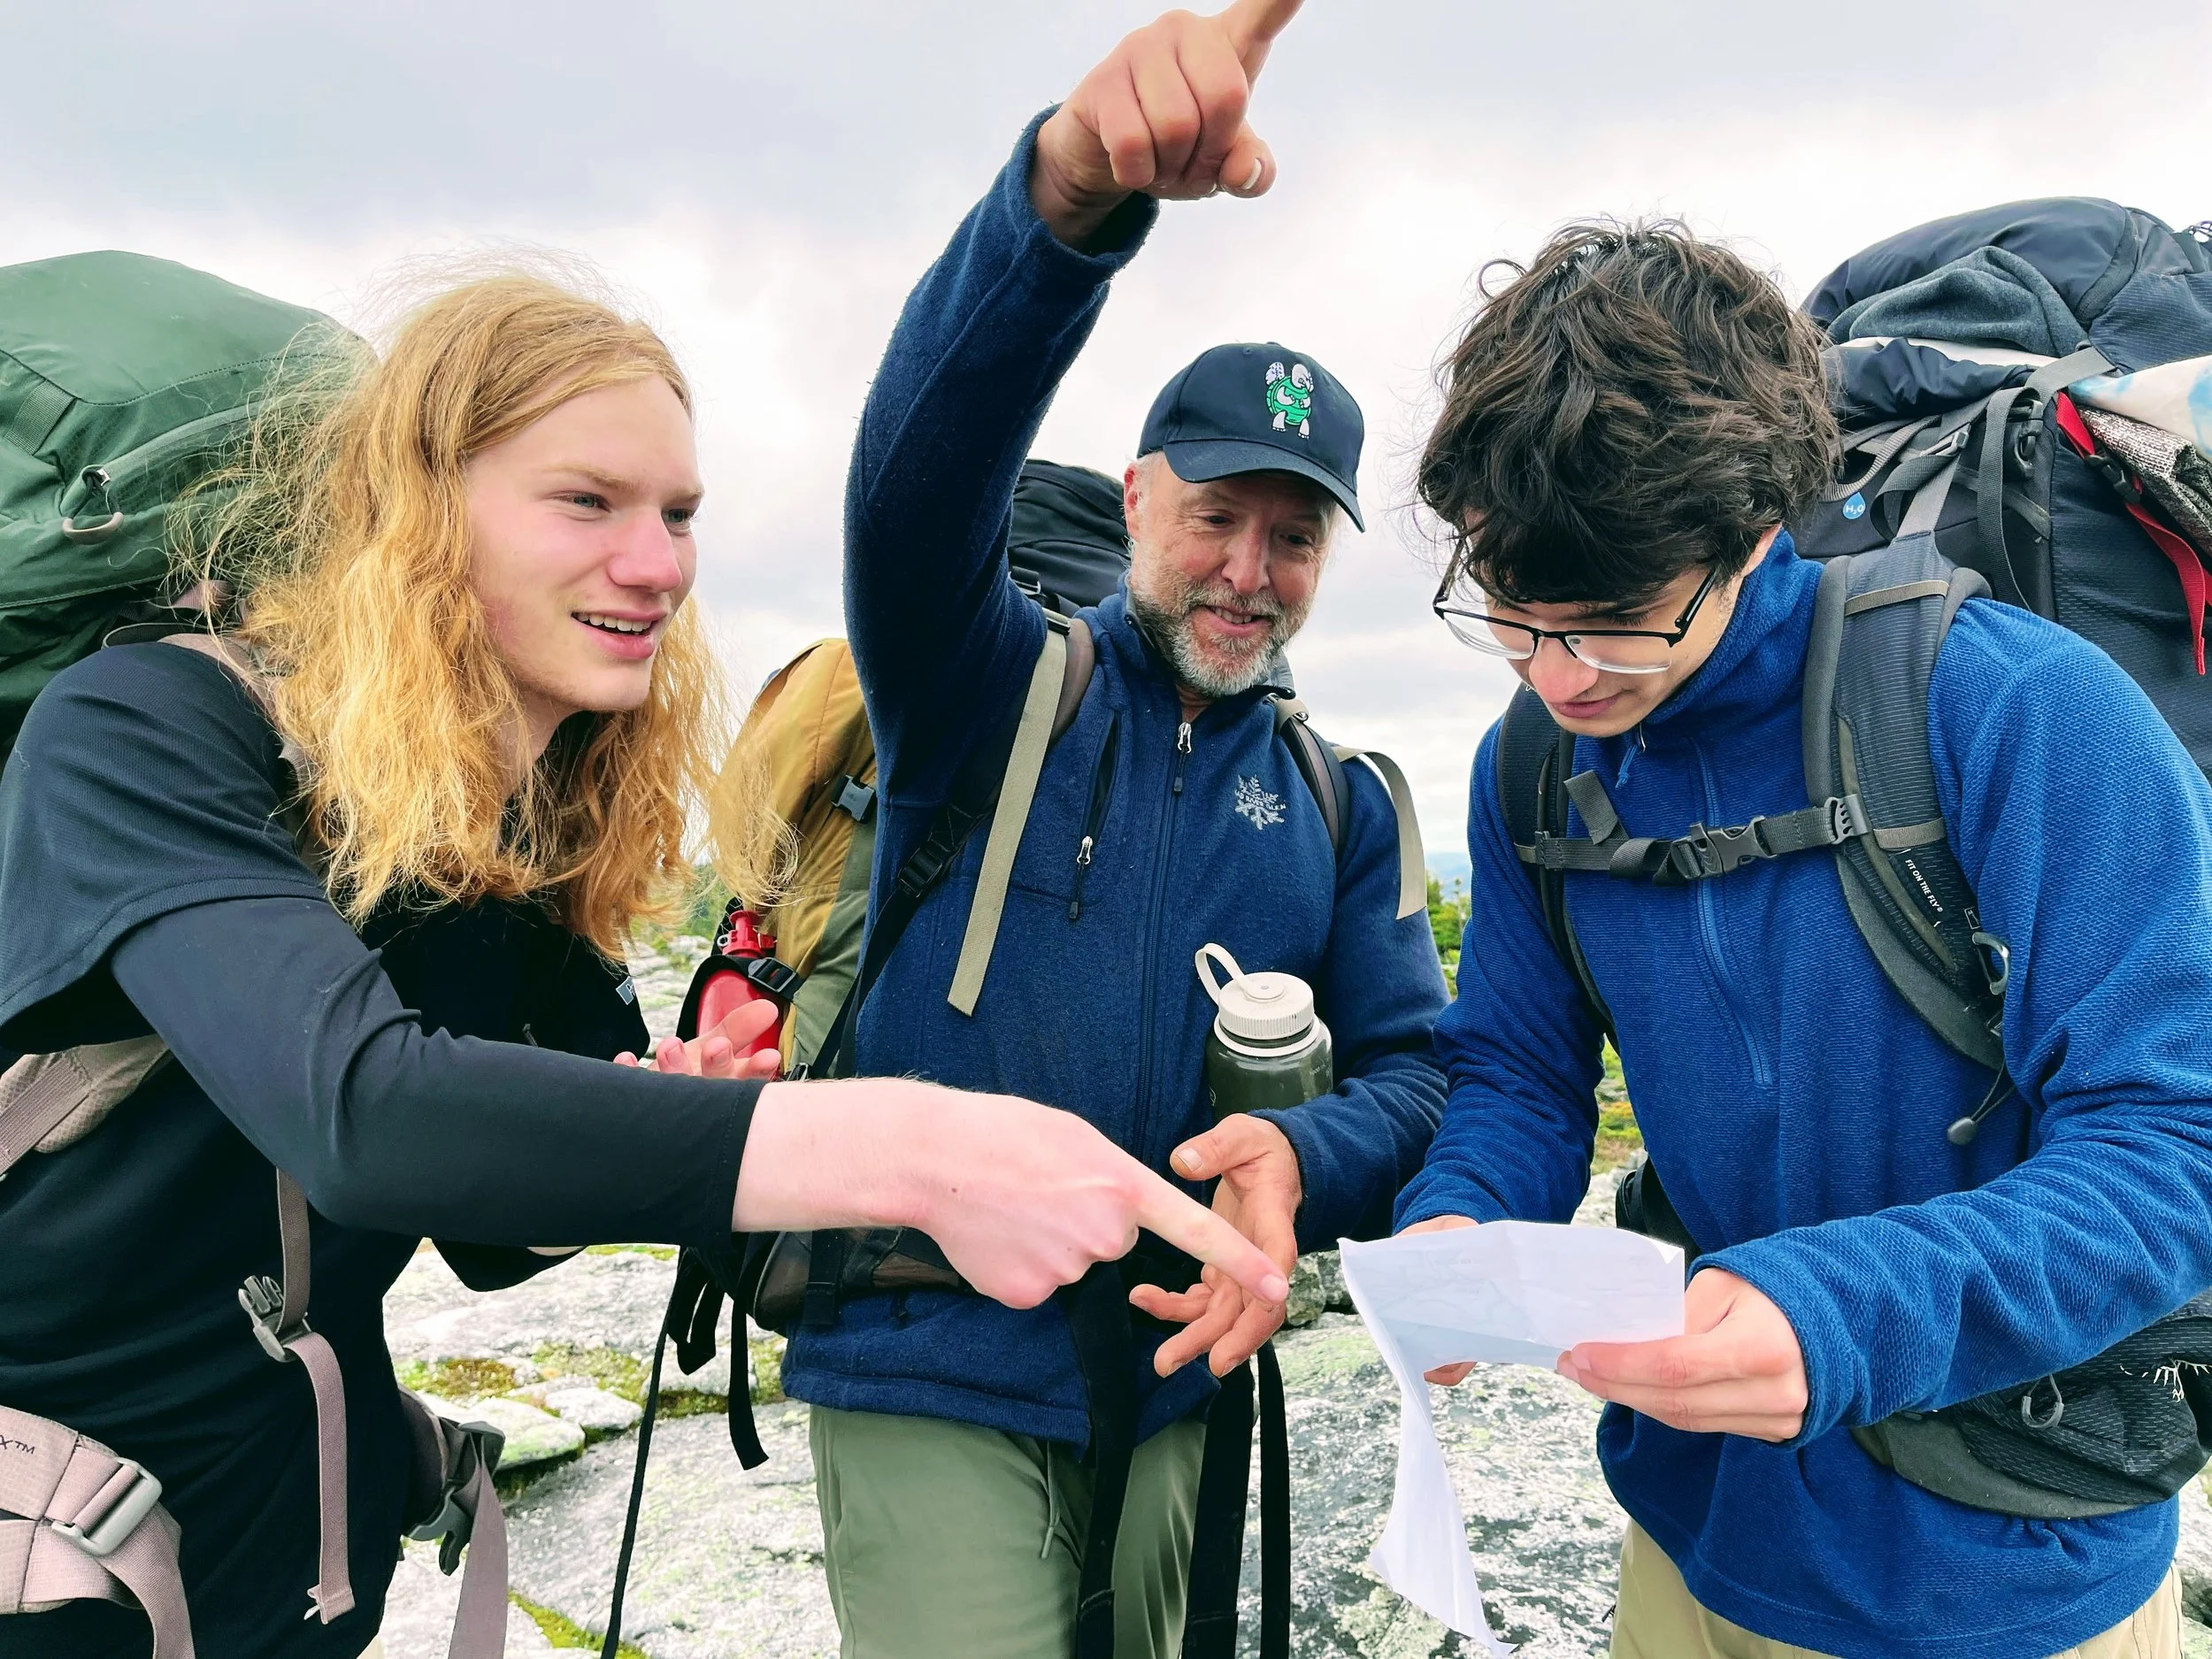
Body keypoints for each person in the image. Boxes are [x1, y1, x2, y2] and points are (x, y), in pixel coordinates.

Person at [0, 273, 1287, 1659]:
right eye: (587, 502)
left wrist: (663, 1097)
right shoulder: (142, 728)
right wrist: (894, 1144)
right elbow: (365, 1116)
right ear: (420, 509)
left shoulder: (518, 809)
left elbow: (489, 1239)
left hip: (280, 1561)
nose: (660, 564)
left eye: (677, 514)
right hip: (58, 1551)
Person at [1394, 219, 2212, 1658]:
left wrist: (1833, 1311)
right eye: (1508, 615)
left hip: (2009, 1574)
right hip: (1697, 1540)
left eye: (1614, 624)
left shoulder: (2020, 711)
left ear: (1763, 527)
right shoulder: (1530, 766)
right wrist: (1459, 1221)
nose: (1555, 672)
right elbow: (1520, 1072)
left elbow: (2177, 1153)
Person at [789, 3, 1448, 1654]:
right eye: (1218, 514)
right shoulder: (979, 681)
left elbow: (1420, 1072)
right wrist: (1064, 207)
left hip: (1182, 1370)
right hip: (924, 1345)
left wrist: (1301, 1155)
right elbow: (911, 480)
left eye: (1294, 538)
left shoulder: (1340, 802)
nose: (1249, 568)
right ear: (1140, 496)